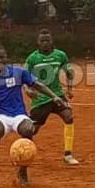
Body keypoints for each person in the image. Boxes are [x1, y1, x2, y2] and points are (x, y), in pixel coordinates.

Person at [0, 44, 67, 187]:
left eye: (1, 57)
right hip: (0, 116)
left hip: (18, 114)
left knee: (28, 129)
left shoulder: (18, 72)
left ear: (6, 58)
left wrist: (54, 96)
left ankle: (22, 170)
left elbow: (38, 85)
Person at [25, 30, 79, 165]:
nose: (45, 43)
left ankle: (68, 154)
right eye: (42, 41)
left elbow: (69, 72)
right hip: (40, 98)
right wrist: (28, 90)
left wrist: (70, 89)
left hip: (57, 95)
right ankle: (25, 152)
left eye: (47, 40)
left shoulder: (60, 55)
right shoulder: (32, 58)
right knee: (32, 129)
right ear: (38, 42)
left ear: (51, 41)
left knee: (69, 117)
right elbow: (24, 77)